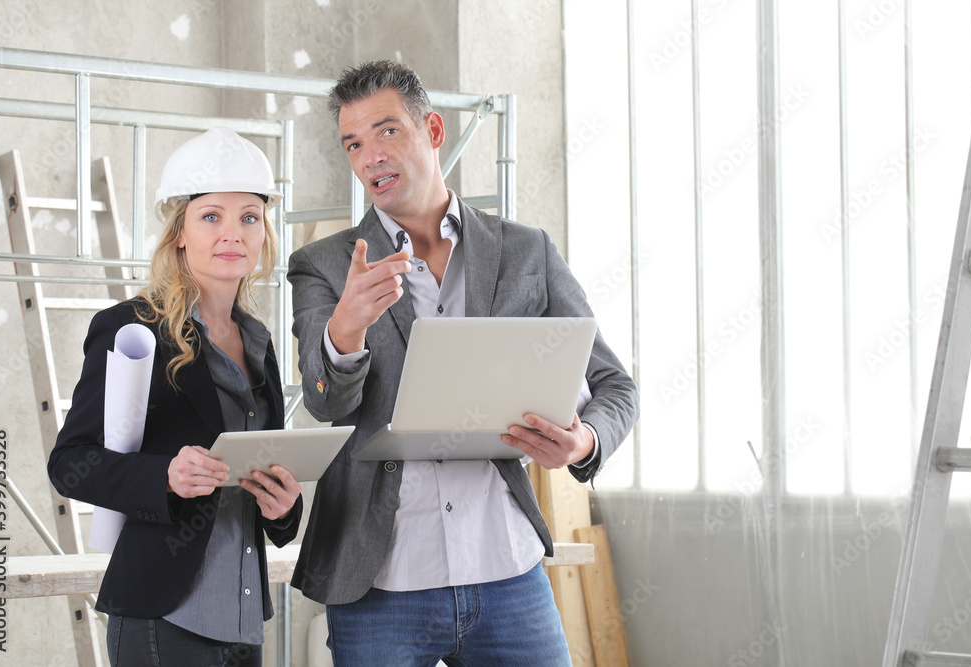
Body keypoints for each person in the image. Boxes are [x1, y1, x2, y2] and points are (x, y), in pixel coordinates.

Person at [287, 60, 639, 666]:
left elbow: (614, 387)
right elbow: (324, 401)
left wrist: (582, 442)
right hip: (382, 582)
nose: (369, 155)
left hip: (507, 571)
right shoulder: (324, 265)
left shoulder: (528, 251)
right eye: (353, 143)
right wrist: (345, 331)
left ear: (433, 130)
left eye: (386, 131)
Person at [48, 127, 303, 667]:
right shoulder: (129, 328)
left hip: (244, 615)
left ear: (263, 235)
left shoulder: (257, 340)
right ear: (180, 232)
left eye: (249, 217)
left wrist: (284, 509)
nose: (232, 232)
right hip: (164, 618)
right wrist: (164, 475)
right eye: (211, 215)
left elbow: (261, 478)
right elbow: (70, 462)